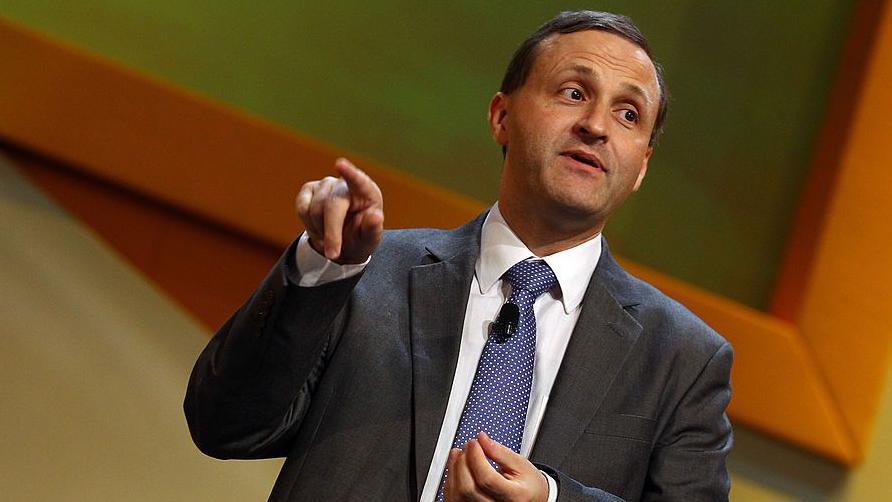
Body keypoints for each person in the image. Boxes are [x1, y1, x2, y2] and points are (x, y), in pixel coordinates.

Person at [185, 10, 732, 502]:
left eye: (628, 114)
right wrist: (324, 268)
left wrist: (552, 500)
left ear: (641, 168)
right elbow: (226, 426)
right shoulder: (369, 276)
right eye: (572, 92)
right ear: (501, 116)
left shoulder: (683, 361)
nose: (596, 126)